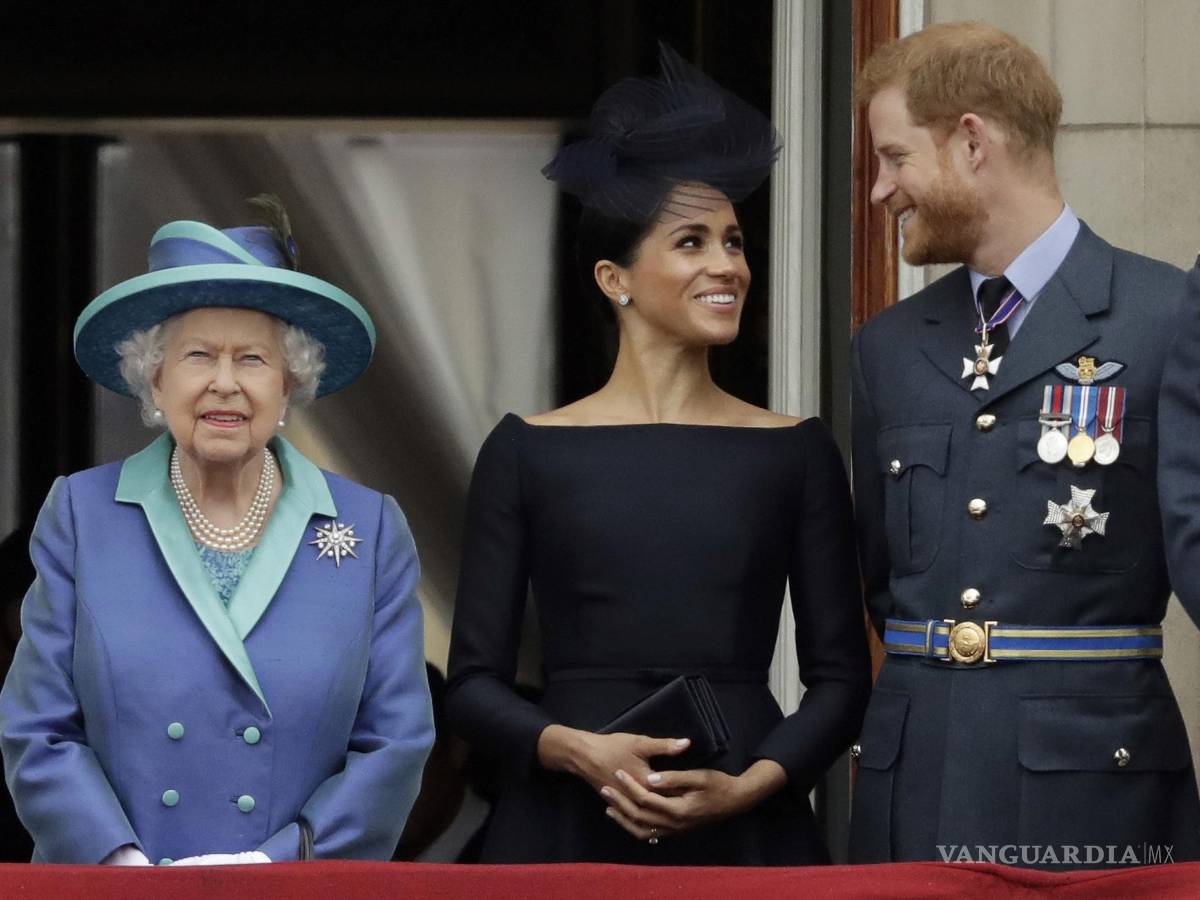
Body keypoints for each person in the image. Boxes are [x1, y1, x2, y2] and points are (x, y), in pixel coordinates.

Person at [445, 45, 870, 865]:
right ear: (616, 278)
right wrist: (575, 750)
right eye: (692, 242)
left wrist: (753, 783)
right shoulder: (525, 450)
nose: (728, 266)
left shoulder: (796, 452)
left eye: (735, 242)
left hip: (746, 821)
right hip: (564, 823)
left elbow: (843, 680)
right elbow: (471, 687)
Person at [850, 22, 1200, 865]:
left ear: (971, 142)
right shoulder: (887, 348)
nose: (879, 191)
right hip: (916, 785)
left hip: (1091, 799)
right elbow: (883, 582)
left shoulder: (1164, 318)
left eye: (896, 159)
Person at [0, 200, 435, 865]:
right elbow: (39, 728)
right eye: (199, 355)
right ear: (156, 377)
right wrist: (122, 865)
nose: (225, 384)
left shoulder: (369, 529)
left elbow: (396, 741)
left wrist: (273, 865)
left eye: (253, 359)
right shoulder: (81, 516)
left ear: (289, 384)